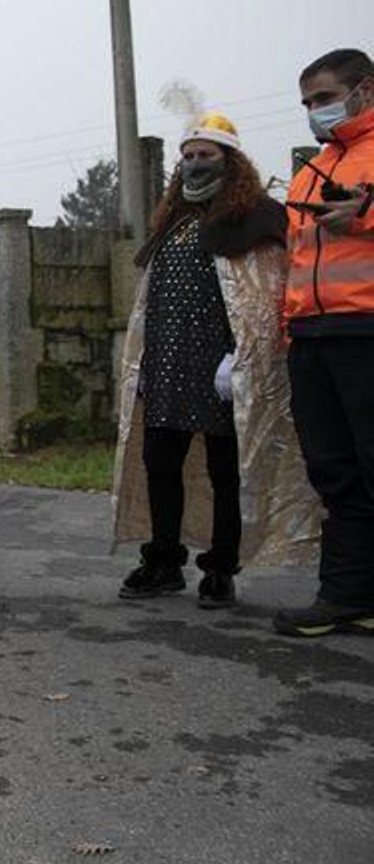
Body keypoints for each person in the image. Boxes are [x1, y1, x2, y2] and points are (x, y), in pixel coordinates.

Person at [111, 114, 315, 607]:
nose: (195, 163)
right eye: (188, 156)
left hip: (222, 371)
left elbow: (262, 301)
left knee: (226, 472)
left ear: (230, 159)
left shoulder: (257, 217)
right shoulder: (174, 221)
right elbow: (150, 302)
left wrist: (238, 359)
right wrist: (143, 362)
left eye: (206, 154)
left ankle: (221, 568)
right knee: (160, 465)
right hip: (166, 367)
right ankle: (163, 560)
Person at [274, 48, 374, 637]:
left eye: (325, 98)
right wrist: (288, 329)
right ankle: (347, 596)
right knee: (334, 472)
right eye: (308, 102)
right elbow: (296, 260)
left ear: (365, 91)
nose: (316, 110)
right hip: (312, 337)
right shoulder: (310, 172)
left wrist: (366, 214)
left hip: (366, 331)